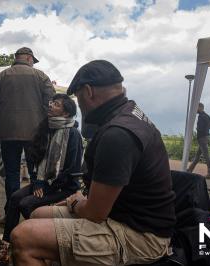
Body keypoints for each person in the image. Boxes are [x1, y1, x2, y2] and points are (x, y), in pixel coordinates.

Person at [10, 60, 176, 265]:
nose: (79, 105)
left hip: (142, 235)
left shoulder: (118, 134)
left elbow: (95, 213)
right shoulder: (129, 112)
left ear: (88, 91)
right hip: (120, 212)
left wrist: (75, 202)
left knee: (23, 237)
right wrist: (80, 201)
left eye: (78, 98)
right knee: (37, 213)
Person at [0, 47, 56, 225]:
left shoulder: (2, 76)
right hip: (35, 135)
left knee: (11, 175)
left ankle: (11, 216)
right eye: (32, 60)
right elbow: (52, 105)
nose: (33, 63)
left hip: (8, 135)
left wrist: (1, 128)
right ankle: (33, 214)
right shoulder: (41, 77)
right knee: (36, 175)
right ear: (28, 58)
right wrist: (44, 129)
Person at [3, 94, 83, 242]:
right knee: (15, 198)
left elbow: (72, 169)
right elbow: (33, 158)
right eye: (51, 102)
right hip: (43, 182)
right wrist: (36, 182)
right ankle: (7, 242)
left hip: (64, 186)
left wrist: (48, 187)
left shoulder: (73, 134)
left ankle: (38, 240)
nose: (51, 105)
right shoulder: (45, 128)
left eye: (57, 104)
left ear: (66, 113)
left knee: (26, 204)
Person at [187, 102, 210, 178]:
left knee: (206, 155)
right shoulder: (208, 116)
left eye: (196, 107)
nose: (195, 109)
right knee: (198, 156)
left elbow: (200, 128)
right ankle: (189, 170)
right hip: (206, 136)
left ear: (201, 107)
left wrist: (198, 129)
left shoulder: (201, 116)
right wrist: (206, 129)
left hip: (202, 137)